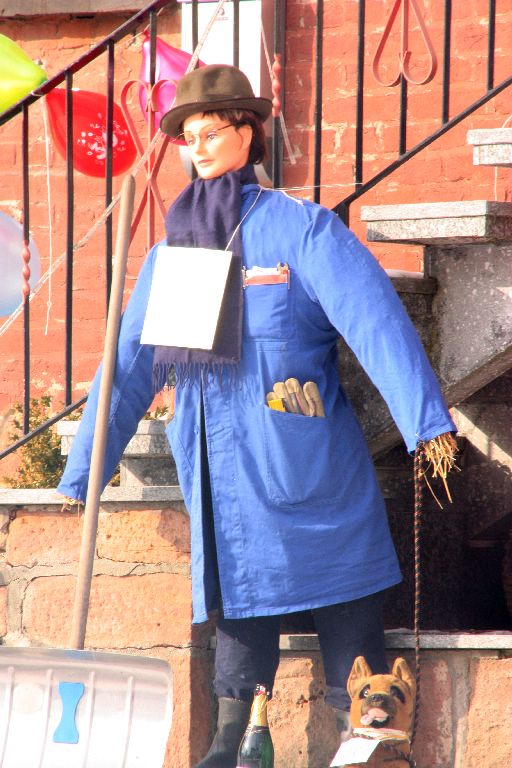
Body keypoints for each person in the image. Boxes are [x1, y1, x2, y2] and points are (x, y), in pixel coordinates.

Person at [57, 64, 457, 766]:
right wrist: (85, 467)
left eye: (212, 131)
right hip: (225, 482)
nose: (198, 147)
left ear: (248, 133)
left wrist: (426, 424)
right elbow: (127, 368)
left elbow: (375, 322)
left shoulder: (302, 231)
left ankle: (368, 743)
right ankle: (234, 745)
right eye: (188, 137)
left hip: (309, 468)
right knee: (237, 645)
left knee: (353, 639)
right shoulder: (173, 253)